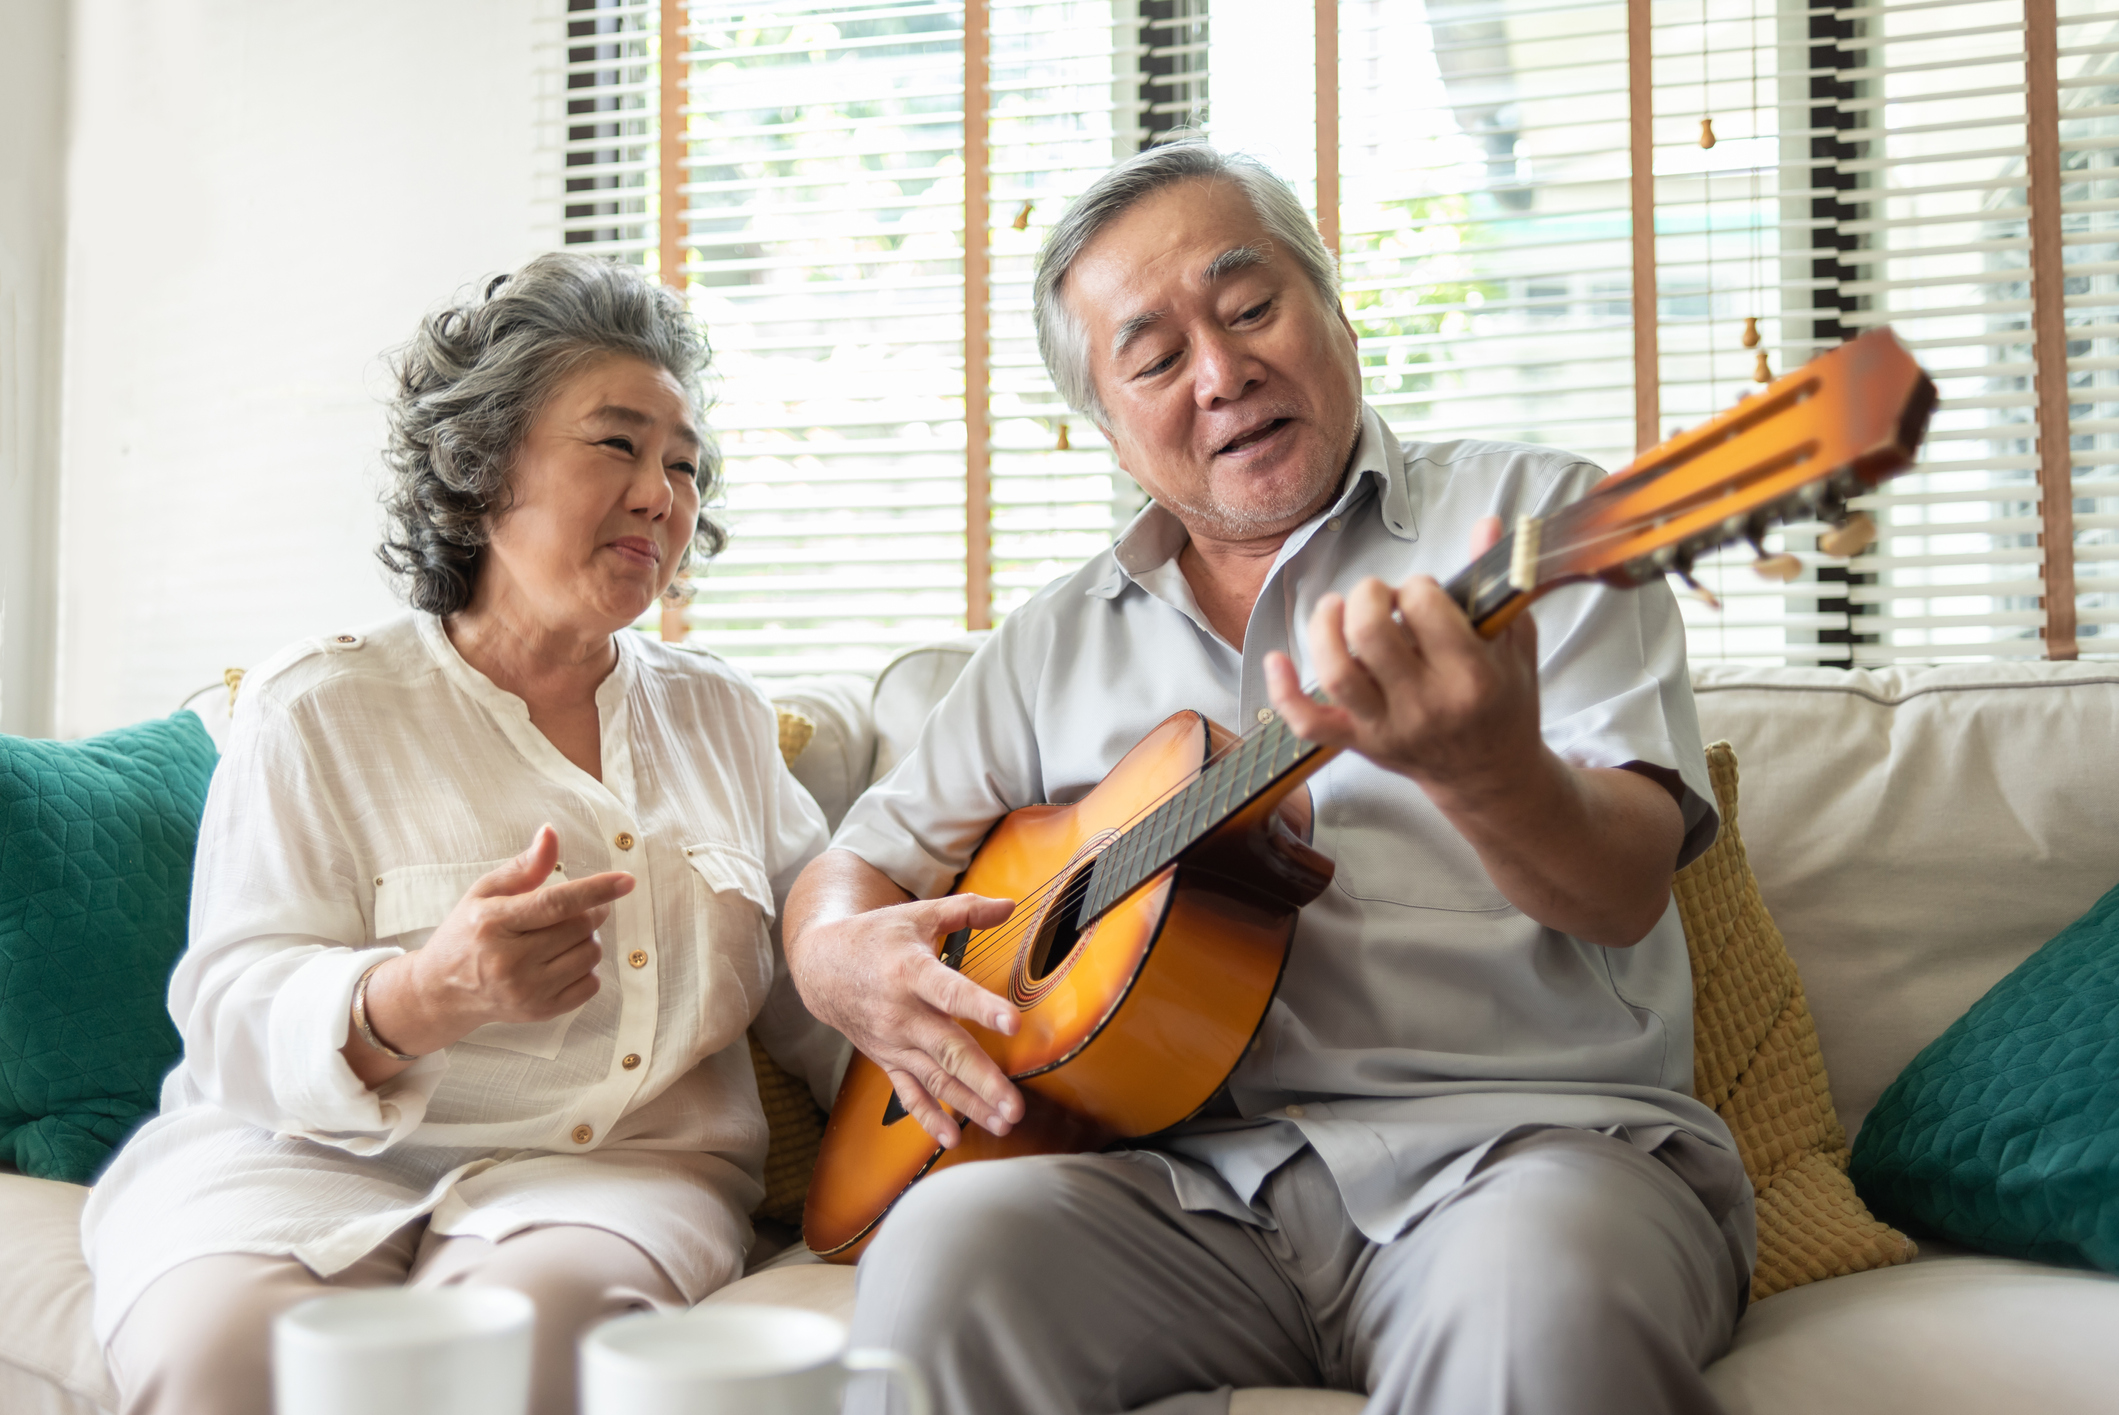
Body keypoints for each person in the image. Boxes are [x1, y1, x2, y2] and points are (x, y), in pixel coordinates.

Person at [783, 144, 1755, 1415]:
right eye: (1153, 356)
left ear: (1335, 312)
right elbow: (859, 859)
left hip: (1530, 1156)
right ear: (1112, 429)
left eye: (1251, 309)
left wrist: (1492, 771)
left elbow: (1626, 883)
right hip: (1176, 1195)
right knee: (945, 1255)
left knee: (1543, 1309)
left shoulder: (1536, 523)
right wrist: (833, 959)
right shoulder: (1048, 642)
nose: (1222, 371)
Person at [81, 252, 839, 1415]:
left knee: (526, 1350)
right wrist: (419, 995)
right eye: (617, 444)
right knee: (224, 1360)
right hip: (299, 1161)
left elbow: (821, 979)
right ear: (483, 465)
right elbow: (229, 1005)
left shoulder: (720, 717)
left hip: (611, 1174)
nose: (662, 494)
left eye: (684, 465)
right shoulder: (319, 705)